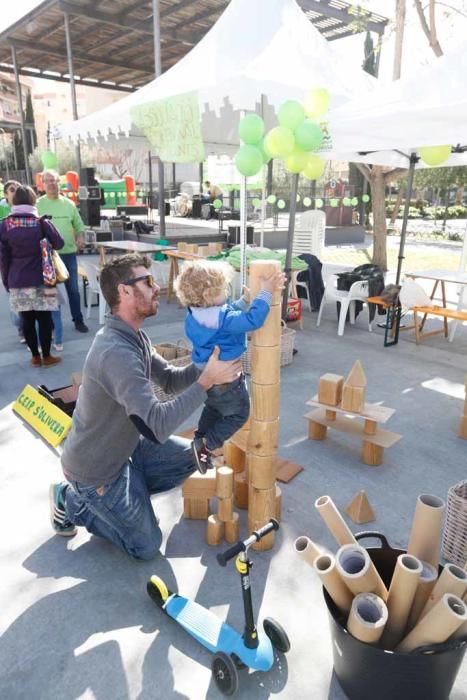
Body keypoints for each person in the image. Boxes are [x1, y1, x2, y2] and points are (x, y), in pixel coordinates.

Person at [49, 253, 242, 559]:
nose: (157, 288)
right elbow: (156, 426)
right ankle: (72, 502)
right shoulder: (116, 352)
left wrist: (207, 364)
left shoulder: (134, 336)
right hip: (96, 472)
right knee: (146, 547)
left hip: (125, 451)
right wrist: (206, 382)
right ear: (124, 291)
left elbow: (167, 379)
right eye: (148, 281)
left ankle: (129, 498)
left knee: (193, 455)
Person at [174, 260, 285, 472]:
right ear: (208, 295)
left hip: (205, 374)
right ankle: (207, 446)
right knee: (238, 414)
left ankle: (198, 440)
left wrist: (244, 300)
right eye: (223, 289)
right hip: (226, 379)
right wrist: (266, 293)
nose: (227, 291)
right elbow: (253, 320)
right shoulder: (222, 318)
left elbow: (226, 312)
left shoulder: (195, 314)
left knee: (214, 408)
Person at [0, 185, 64, 367]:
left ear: (14, 202)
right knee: (44, 319)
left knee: (26, 320)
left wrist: (6, 281)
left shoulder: (4, 225)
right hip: (42, 278)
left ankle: (35, 357)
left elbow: (3, 259)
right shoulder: (41, 222)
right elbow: (59, 243)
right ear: (33, 201)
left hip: (17, 279)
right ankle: (47, 356)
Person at [37, 169, 88, 333]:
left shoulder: (69, 204)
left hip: (68, 254)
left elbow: (79, 226)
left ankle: (78, 320)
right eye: (48, 181)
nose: (52, 183)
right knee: (50, 291)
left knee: (73, 289)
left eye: (55, 180)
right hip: (47, 256)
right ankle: (52, 324)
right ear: (43, 184)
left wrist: (80, 236)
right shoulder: (37, 205)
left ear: (60, 183)